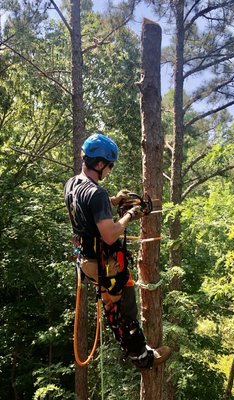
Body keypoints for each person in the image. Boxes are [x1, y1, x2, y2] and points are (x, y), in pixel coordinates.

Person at [64, 133, 171, 369]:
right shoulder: (96, 193)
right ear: (100, 164)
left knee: (113, 307)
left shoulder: (72, 184)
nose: (109, 171)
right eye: (109, 166)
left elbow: (88, 208)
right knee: (126, 309)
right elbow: (110, 234)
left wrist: (114, 201)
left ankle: (133, 350)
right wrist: (131, 214)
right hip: (106, 264)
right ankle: (143, 358)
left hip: (87, 261)